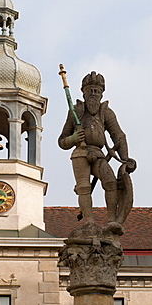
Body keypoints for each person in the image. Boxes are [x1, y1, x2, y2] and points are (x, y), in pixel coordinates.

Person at [58, 71, 134, 230]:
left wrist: (125, 159)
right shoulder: (76, 111)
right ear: (83, 92)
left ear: (101, 93)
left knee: (111, 182)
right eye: (90, 90)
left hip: (99, 154)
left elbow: (118, 136)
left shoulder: (106, 112)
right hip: (80, 153)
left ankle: (112, 220)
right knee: (84, 187)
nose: (93, 94)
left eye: (96, 91)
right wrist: (73, 139)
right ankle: (89, 222)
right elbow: (62, 141)